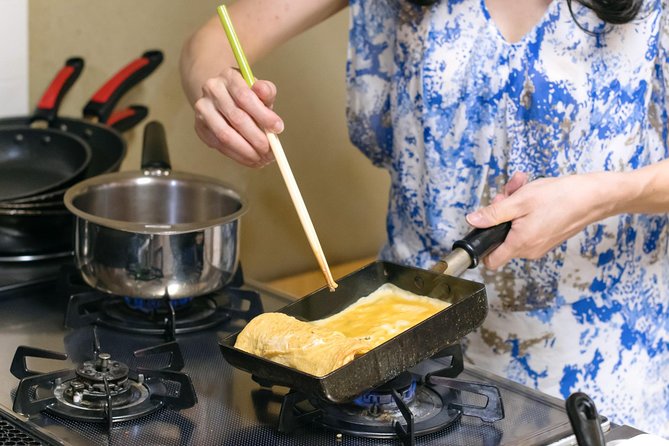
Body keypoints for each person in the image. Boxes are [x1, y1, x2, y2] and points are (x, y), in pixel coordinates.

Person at [180, 0, 669, 436]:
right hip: (393, 366)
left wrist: (605, 195)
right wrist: (218, 93)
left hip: (590, 384)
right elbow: (212, 40)